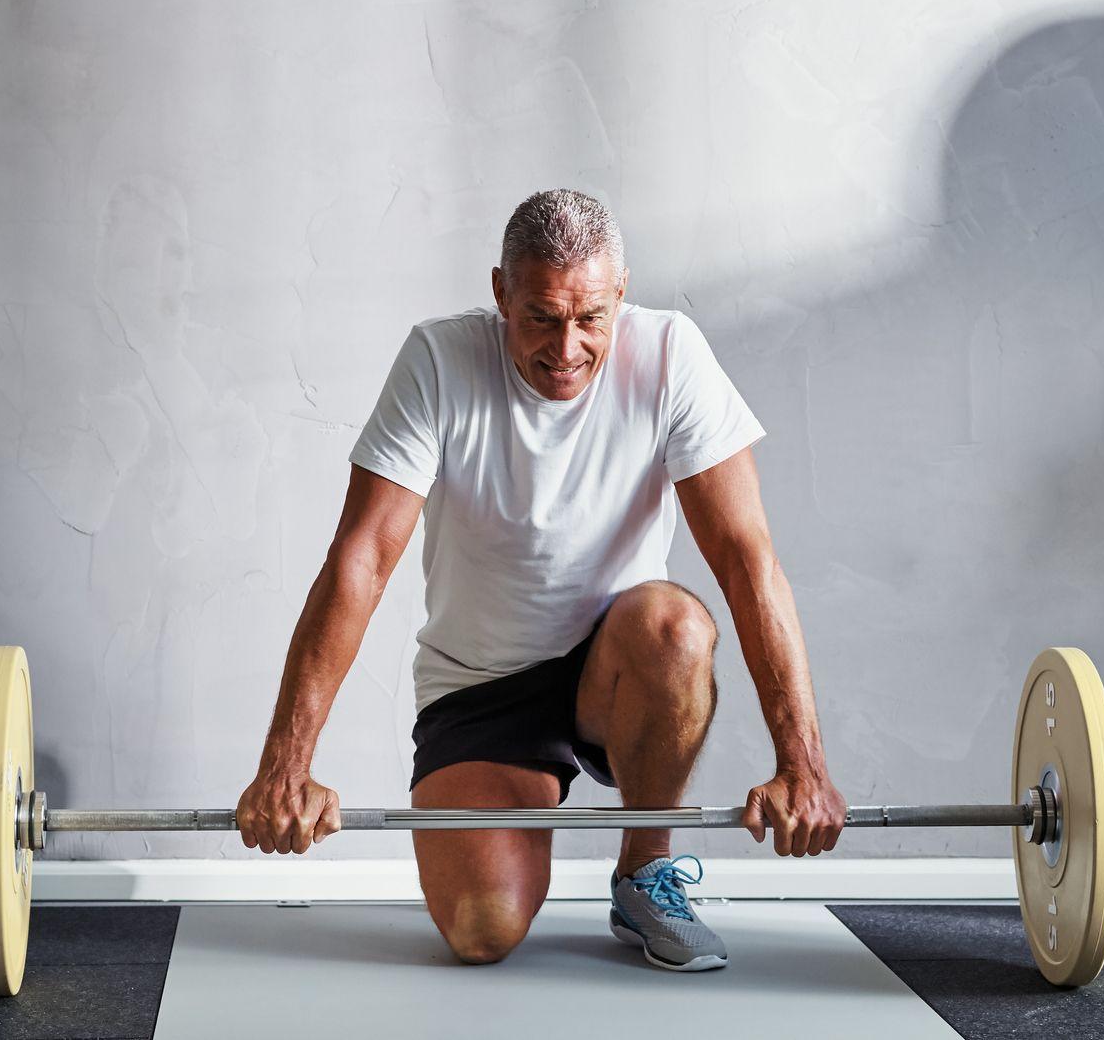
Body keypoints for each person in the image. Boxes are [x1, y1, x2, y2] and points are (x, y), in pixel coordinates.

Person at [234, 188, 844, 971]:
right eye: (540, 317)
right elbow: (361, 559)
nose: (567, 347)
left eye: (590, 317)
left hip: (617, 668)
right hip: (480, 688)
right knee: (482, 934)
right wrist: (287, 763)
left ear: (620, 293)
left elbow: (746, 561)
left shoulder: (670, 355)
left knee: (678, 628)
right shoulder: (439, 361)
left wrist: (804, 767)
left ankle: (645, 868)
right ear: (500, 294)